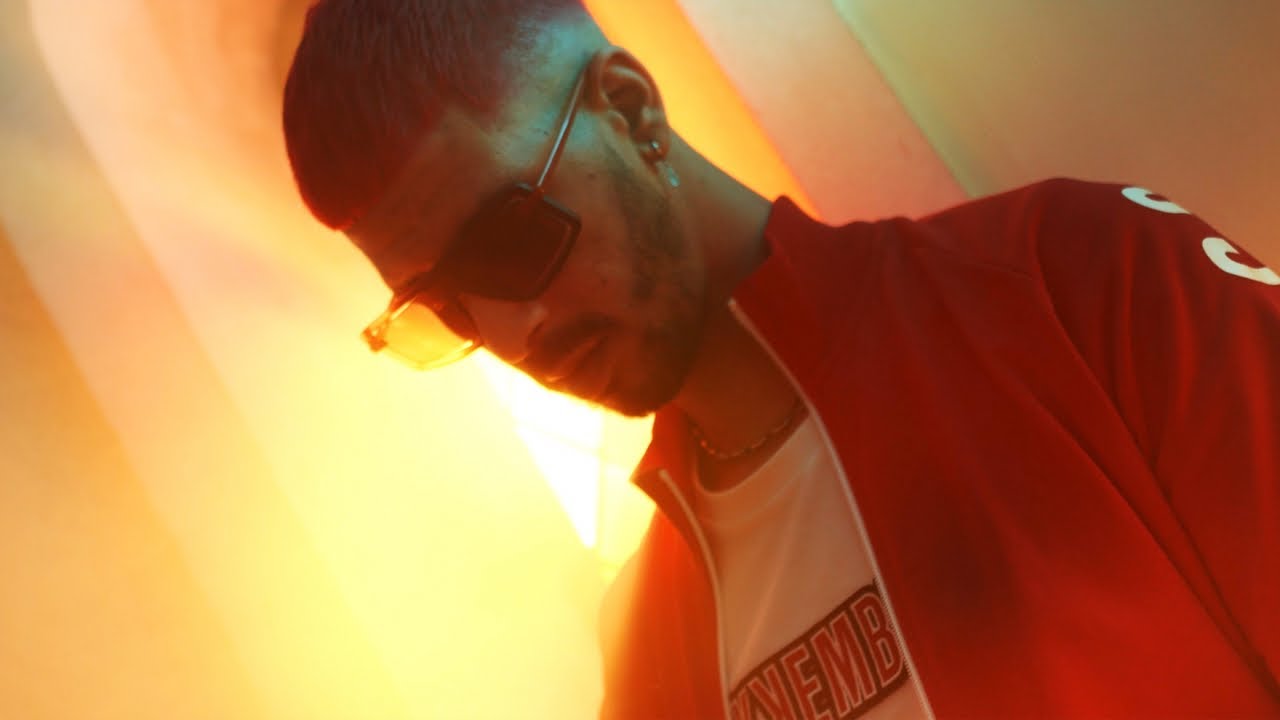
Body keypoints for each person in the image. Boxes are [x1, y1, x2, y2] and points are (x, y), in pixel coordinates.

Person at [281, 1, 1280, 717]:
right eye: (445, 309)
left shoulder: (1076, 276)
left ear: (631, 111)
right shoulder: (649, 660)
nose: (513, 333)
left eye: (507, 240)